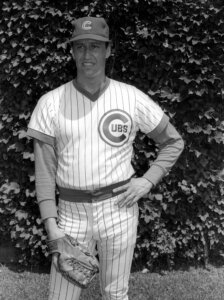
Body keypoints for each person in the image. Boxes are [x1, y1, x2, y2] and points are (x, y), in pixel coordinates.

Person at [27, 16, 184, 300]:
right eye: (81, 47)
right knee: (61, 296)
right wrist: (52, 227)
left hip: (119, 209)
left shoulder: (131, 97)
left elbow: (173, 142)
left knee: (115, 294)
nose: (88, 54)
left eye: (96, 46)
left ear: (108, 50)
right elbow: (45, 173)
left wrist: (146, 182)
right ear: (72, 51)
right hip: (71, 216)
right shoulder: (50, 103)